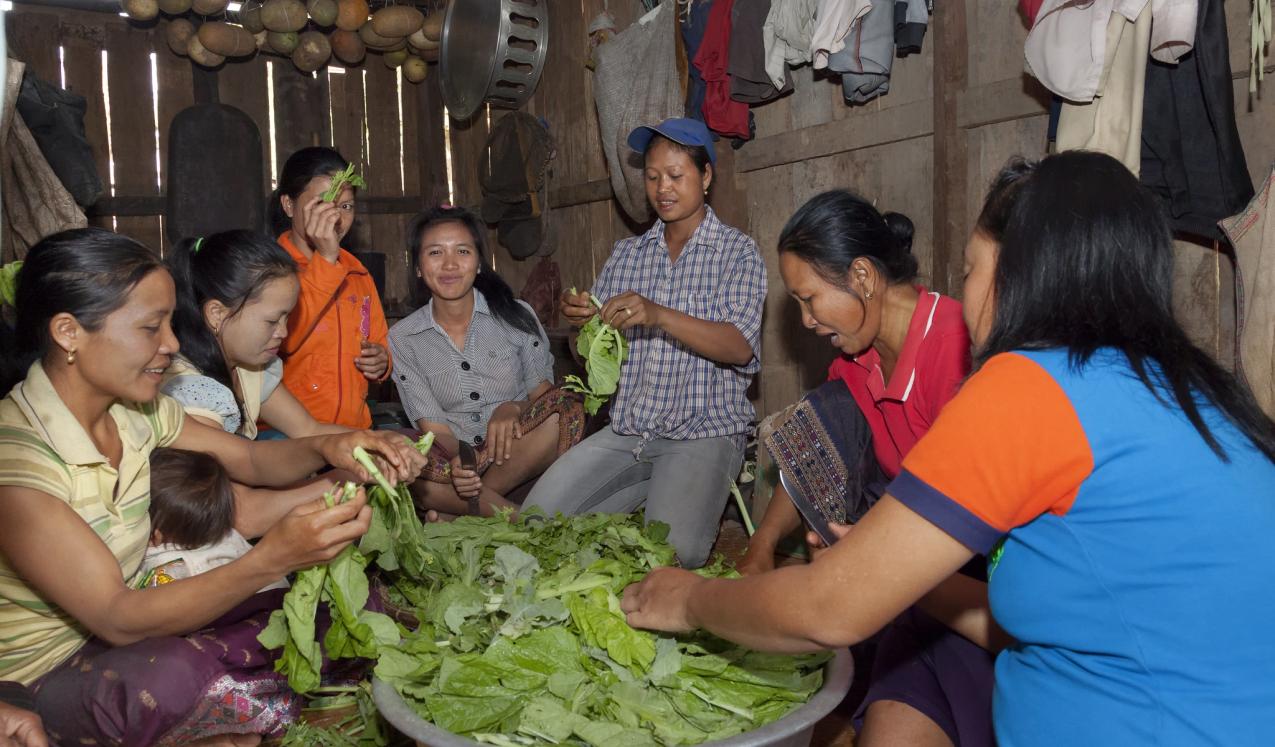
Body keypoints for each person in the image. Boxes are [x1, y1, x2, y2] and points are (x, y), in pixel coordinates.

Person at [620, 152, 1275, 746]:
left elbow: (827, 608)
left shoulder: (1028, 385)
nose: (962, 298)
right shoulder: (1196, 394)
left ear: (1020, 273)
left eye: (969, 269)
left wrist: (688, 599)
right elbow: (1037, 623)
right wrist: (883, 571)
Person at [0, 228, 423, 745]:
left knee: (322, 613)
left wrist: (330, 448)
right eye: (151, 327)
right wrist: (272, 559)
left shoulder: (137, 410)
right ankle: (230, 719)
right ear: (69, 332)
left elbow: (248, 457)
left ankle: (228, 723)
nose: (173, 345)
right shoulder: (17, 463)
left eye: (171, 325)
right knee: (175, 673)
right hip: (43, 673)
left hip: (137, 621)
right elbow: (117, 617)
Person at [735, 190, 991, 747]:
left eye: (809, 299)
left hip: (977, 575)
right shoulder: (861, 358)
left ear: (863, 276)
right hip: (916, 559)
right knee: (825, 412)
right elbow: (810, 449)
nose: (804, 321)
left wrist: (860, 563)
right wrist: (760, 547)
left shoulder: (955, 350)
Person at [526, 117, 767, 569]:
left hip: (704, 433)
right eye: (653, 177)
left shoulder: (737, 253)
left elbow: (739, 348)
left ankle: (663, 494)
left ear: (707, 177)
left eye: (676, 175)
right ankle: (648, 491)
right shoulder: (627, 255)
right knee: (535, 524)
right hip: (628, 432)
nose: (663, 188)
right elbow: (588, 355)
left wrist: (658, 314)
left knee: (672, 555)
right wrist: (586, 326)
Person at [389, 206, 585, 518]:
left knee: (562, 413)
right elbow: (435, 430)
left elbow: (545, 399)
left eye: (463, 251)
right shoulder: (402, 338)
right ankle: (516, 517)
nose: (450, 264)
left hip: (516, 456)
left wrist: (512, 408)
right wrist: (467, 464)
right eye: (435, 252)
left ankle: (465, 512)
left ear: (479, 262)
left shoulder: (516, 315)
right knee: (394, 451)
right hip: (452, 460)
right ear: (417, 266)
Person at [269, 146, 390, 430]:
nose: (336, 216)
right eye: (323, 203)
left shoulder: (358, 275)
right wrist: (325, 259)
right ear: (288, 205)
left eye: (346, 206)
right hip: (287, 438)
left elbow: (379, 341)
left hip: (353, 432)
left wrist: (382, 363)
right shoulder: (268, 269)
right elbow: (285, 341)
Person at [140, 448, 288, 594]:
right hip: (279, 594)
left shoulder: (164, 571)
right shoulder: (227, 534)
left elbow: (150, 612)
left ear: (154, 535)